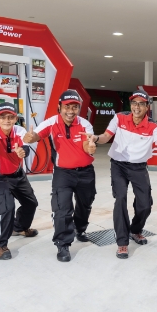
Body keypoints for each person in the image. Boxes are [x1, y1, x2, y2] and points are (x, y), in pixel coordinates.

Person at [95, 90, 157, 259]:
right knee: (120, 198)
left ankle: (135, 230)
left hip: (138, 168)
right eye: (134, 103)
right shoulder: (119, 118)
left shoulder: (154, 127)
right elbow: (106, 136)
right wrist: (95, 138)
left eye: (141, 104)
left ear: (147, 107)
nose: (137, 107)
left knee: (145, 204)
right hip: (119, 165)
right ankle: (122, 242)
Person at [33, 89, 97, 262]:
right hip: (63, 173)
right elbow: (35, 136)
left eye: (75, 107)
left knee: (85, 204)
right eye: (67, 106)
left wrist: (90, 147)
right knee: (62, 208)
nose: (70, 111)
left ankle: (80, 229)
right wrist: (30, 137)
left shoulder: (85, 124)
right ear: (59, 107)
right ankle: (63, 244)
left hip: (86, 172)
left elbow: (87, 144)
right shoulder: (51, 123)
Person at [0, 102, 39, 260]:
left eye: (10, 117)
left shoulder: (20, 131)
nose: (6, 120)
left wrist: (23, 151)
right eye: (2, 117)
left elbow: (25, 146)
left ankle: (19, 227)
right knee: (7, 207)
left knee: (31, 203)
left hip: (17, 174)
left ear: (15, 118)